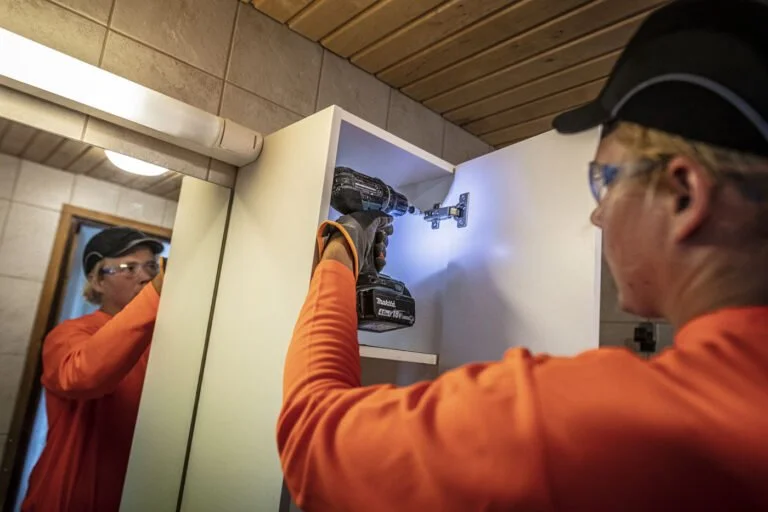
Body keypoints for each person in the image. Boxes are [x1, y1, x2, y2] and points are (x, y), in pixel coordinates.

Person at [277, 0, 768, 510]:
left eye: (604, 181)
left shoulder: (601, 424)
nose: (597, 216)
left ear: (682, 195)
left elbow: (311, 439)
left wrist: (342, 248)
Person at [22, 227, 166, 512]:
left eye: (151, 266)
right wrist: (155, 295)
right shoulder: (69, 334)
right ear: (98, 281)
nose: (146, 276)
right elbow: (83, 376)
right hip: (67, 500)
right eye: (129, 268)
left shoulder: (163, 341)